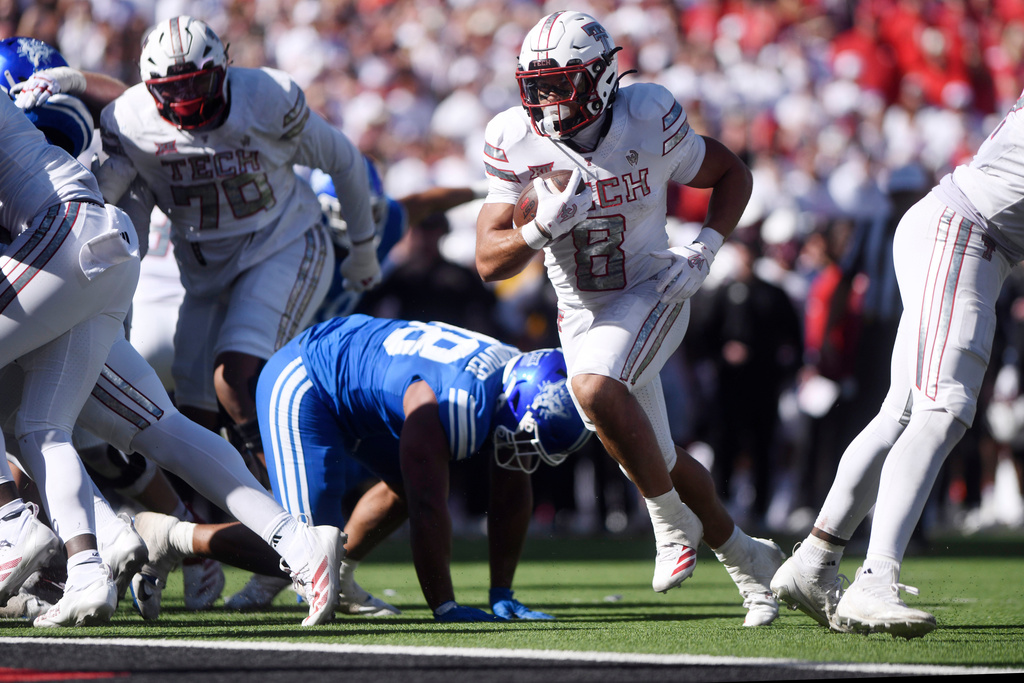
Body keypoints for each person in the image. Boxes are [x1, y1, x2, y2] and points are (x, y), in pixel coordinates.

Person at [475, 10, 784, 626]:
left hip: (652, 287)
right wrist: (538, 229)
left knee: (591, 389)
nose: (543, 101)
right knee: (658, 458)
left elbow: (730, 174)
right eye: (534, 86)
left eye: (558, 83)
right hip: (582, 312)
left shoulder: (647, 115)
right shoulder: (515, 136)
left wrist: (706, 246)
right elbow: (488, 260)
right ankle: (755, 564)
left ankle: (670, 528)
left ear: (600, 78)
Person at [769, 90, 1024, 639]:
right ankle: (874, 580)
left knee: (903, 414)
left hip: (962, 235)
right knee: (945, 406)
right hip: (965, 233)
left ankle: (816, 560)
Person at [93, 15, 381, 475]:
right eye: (173, 90)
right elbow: (130, 223)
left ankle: (292, 511)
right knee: (190, 414)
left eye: (198, 84)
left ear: (224, 68)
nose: (186, 102)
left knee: (237, 379)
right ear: (149, 88)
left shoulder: (266, 97)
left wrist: (363, 249)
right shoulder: (130, 122)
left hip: (282, 242)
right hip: (204, 270)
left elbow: (344, 159)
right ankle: (214, 531)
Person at [247, 314, 591, 621]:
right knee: (308, 542)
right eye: (528, 440)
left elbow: (512, 489)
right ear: (515, 403)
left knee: (399, 488)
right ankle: (194, 543)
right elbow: (428, 502)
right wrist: (445, 605)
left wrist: (502, 592)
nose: (525, 453)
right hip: (308, 376)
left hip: (362, 385)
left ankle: (339, 575)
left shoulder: (514, 379)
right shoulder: (452, 402)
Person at [0, 87, 140, 627]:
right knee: (43, 428)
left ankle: (10, 521)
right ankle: (87, 571)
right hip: (98, 246)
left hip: (63, 233)